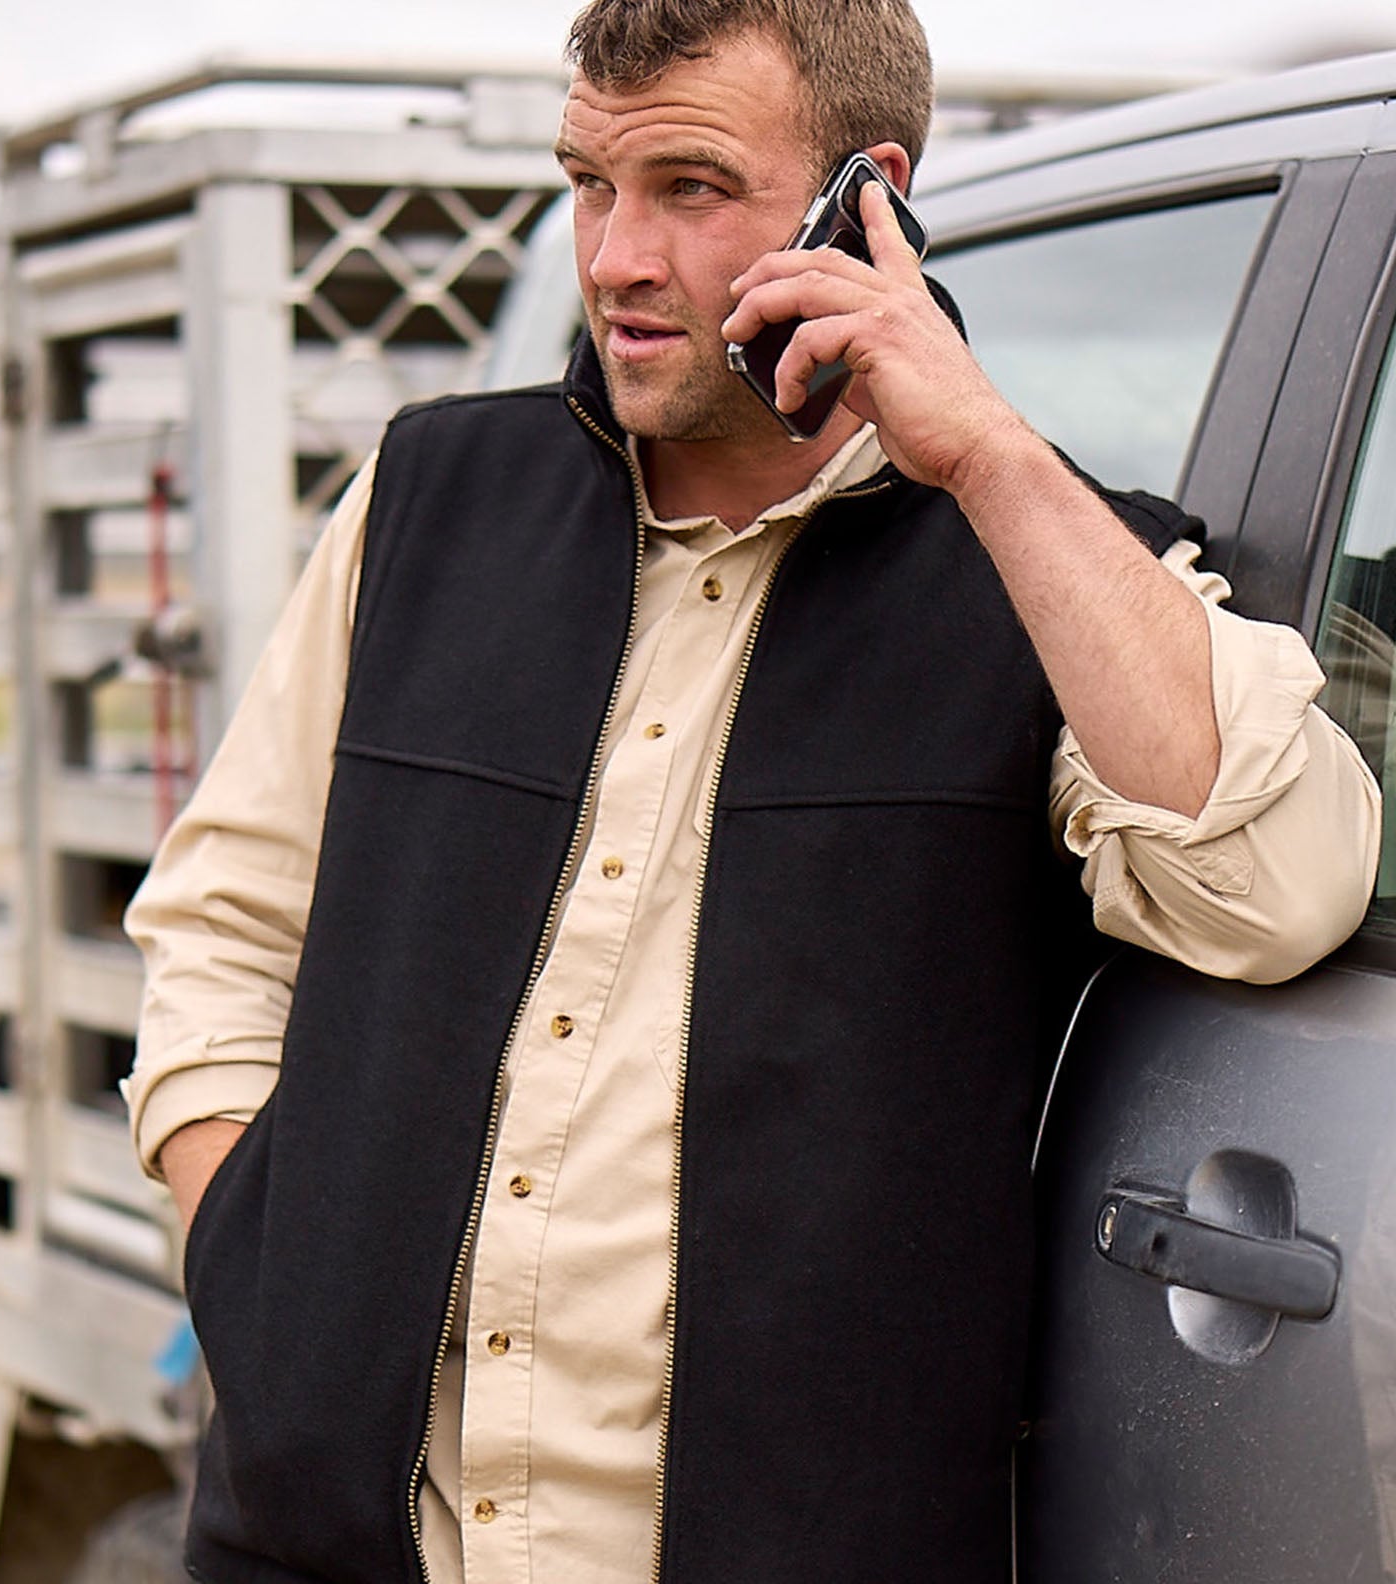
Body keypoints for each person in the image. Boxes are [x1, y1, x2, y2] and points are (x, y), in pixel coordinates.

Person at [121, 2, 1380, 1581]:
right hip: (336, 1549)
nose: (615, 260)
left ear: (868, 197)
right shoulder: (427, 497)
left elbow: (1276, 890)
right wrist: (257, 1266)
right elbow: (221, 931)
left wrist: (986, 453)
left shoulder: (1052, 570)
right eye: (589, 181)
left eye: (692, 190)